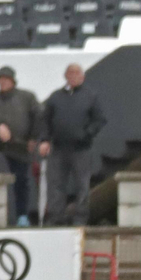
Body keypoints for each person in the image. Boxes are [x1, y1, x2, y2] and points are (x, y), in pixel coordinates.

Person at [38, 63, 105, 225]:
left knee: (81, 186)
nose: (74, 76)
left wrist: (86, 134)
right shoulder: (55, 97)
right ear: (66, 76)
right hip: (58, 149)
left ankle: (80, 219)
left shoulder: (91, 96)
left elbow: (99, 120)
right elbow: (45, 120)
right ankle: (55, 219)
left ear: (82, 76)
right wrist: (44, 140)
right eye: (70, 73)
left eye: (77, 73)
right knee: (55, 185)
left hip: (81, 149)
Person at [0, 66, 41, 226]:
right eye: (0, 80)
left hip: (20, 145)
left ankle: (22, 216)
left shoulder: (27, 97)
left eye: (6, 79)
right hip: (0, 141)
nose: (2, 83)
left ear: (13, 81)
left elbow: (39, 116)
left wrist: (33, 138)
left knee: (21, 181)